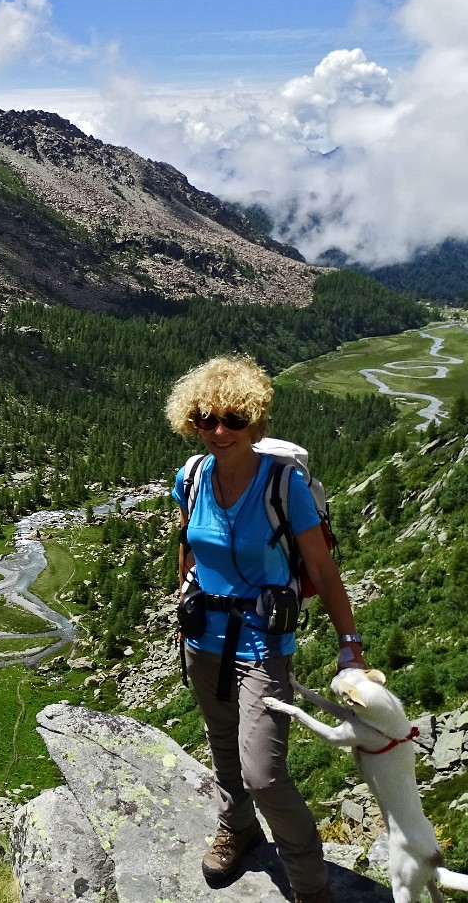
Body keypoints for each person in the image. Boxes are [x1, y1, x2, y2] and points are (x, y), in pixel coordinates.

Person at [166, 354, 365, 903]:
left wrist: (351, 645)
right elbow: (188, 543)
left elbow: (322, 569)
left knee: (264, 773)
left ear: (255, 419)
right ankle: (239, 827)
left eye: (233, 418)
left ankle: (309, 885)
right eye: (206, 418)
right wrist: (183, 590)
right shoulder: (192, 476)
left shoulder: (282, 485)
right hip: (202, 633)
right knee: (221, 744)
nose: (219, 430)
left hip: (262, 640)